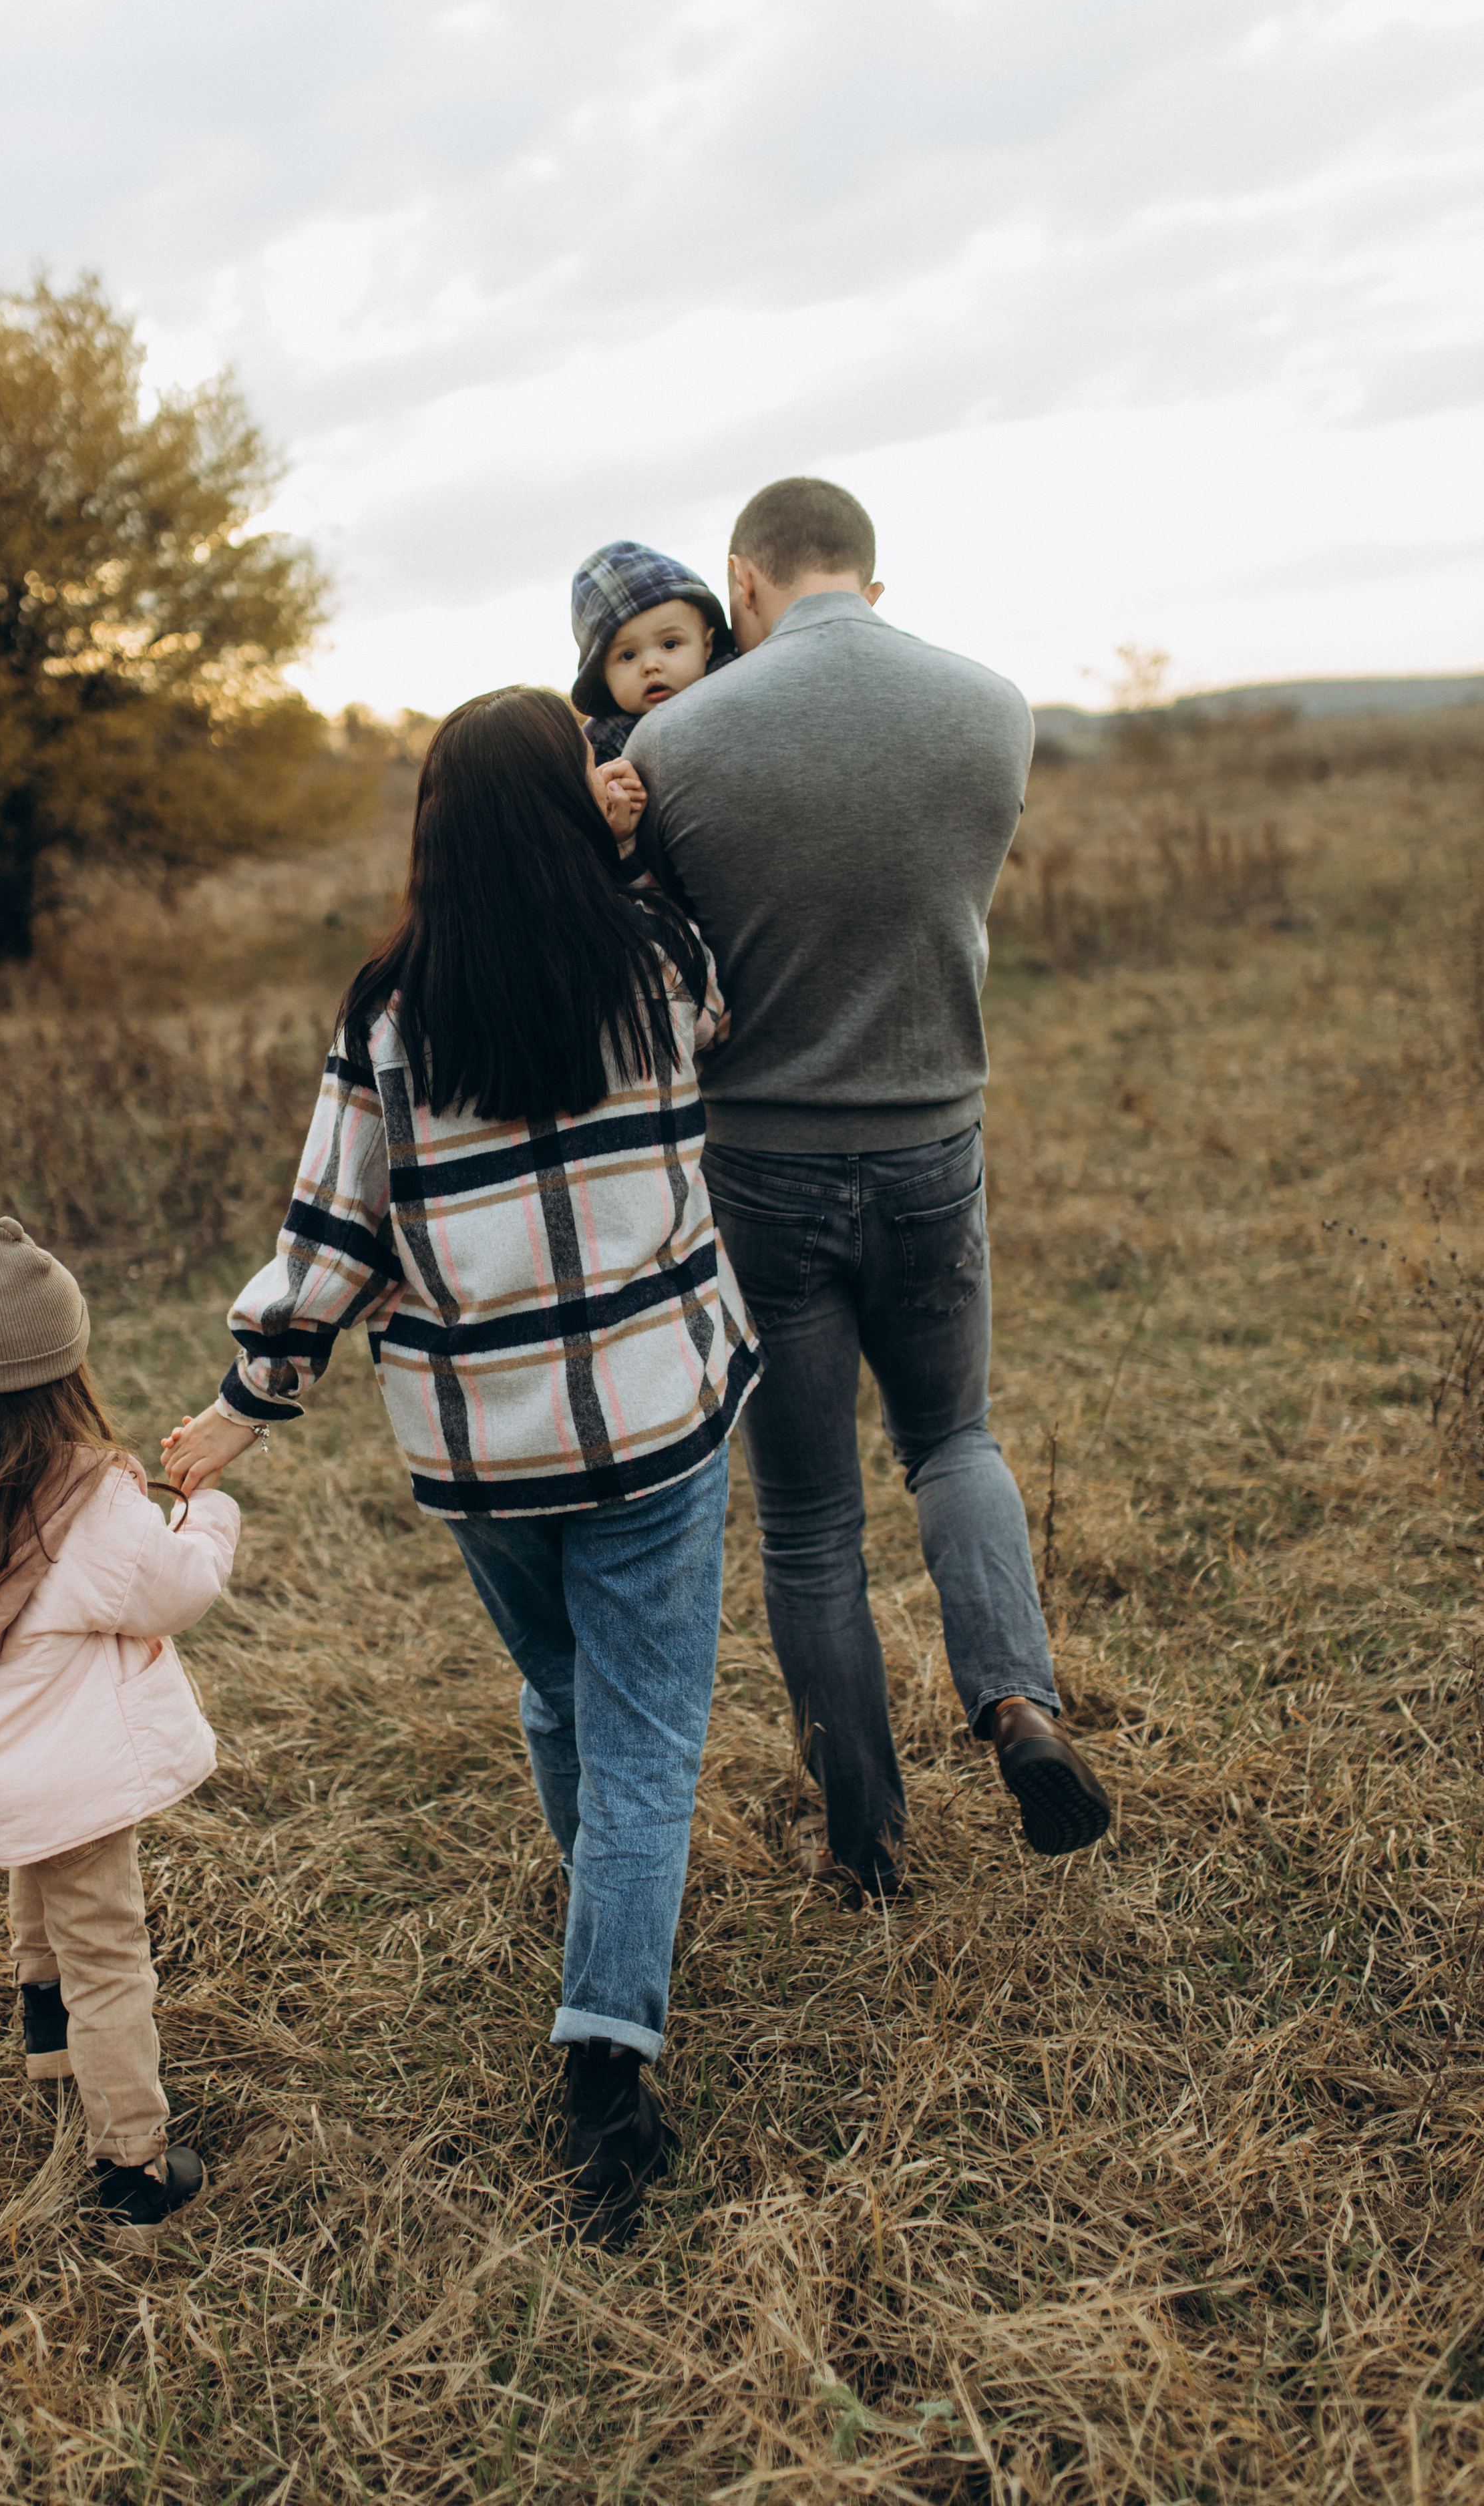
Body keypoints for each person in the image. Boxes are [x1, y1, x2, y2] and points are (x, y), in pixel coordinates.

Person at [162, 686, 761, 2246]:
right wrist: (626, 853)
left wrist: (245, 1402)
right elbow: (721, 1013)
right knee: (643, 1739)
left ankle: (603, 1911)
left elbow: (331, 1235)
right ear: (574, 809)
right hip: (653, 1421)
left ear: (435, 830)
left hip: (481, 1448)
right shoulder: (657, 961)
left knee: (563, 1695)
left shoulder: (390, 1013)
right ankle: (605, 2062)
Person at [623, 476, 1112, 1894]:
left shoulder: (674, 739)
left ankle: (866, 1844)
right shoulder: (993, 709)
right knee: (953, 1441)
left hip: (763, 1170)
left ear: (743, 582)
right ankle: (1016, 1703)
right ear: (871, 582)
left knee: (812, 1523)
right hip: (932, 1145)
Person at [0, 1215, 236, 2248]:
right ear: (64, 1366)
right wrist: (209, 1513)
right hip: (66, 1785)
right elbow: (178, 1590)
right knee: (110, 1952)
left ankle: (48, 2035)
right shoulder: (88, 1501)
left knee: (39, 1852)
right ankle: (136, 2168)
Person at [570, 539, 736, 765]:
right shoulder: (601, 744)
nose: (650, 666)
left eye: (670, 644)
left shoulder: (734, 684)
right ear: (603, 675)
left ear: (707, 645)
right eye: (628, 656)